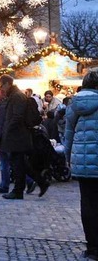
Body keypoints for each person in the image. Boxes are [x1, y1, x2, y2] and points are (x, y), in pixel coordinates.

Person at [64, 71, 98, 260]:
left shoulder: (74, 103)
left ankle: (92, 247)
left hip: (83, 161)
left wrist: (68, 158)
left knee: (88, 204)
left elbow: (68, 133)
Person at [0, 75, 49, 200]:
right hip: (17, 135)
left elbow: (17, 116)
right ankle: (40, 183)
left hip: (18, 136)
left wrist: (7, 130)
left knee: (18, 164)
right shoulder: (15, 95)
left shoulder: (17, 96)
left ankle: (18, 190)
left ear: (7, 84)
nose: (1, 88)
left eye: (1, 85)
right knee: (20, 164)